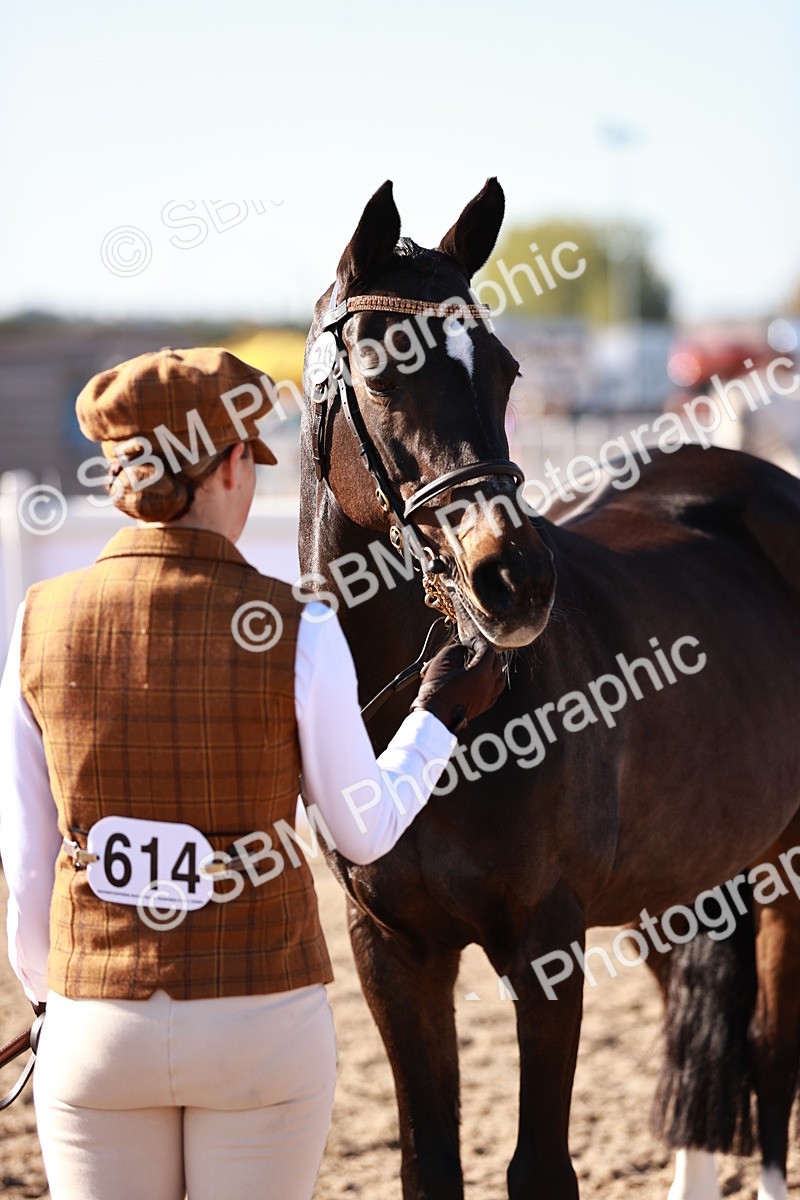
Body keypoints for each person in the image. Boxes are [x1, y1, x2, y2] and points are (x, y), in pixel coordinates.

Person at [0, 347, 504, 1200]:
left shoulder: (36, 620)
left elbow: (27, 867)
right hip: (260, 1020)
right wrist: (439, 717)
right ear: (231, 463)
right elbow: (362, 829)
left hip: (96, 1025)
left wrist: (59, 1002)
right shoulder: (296, 627)